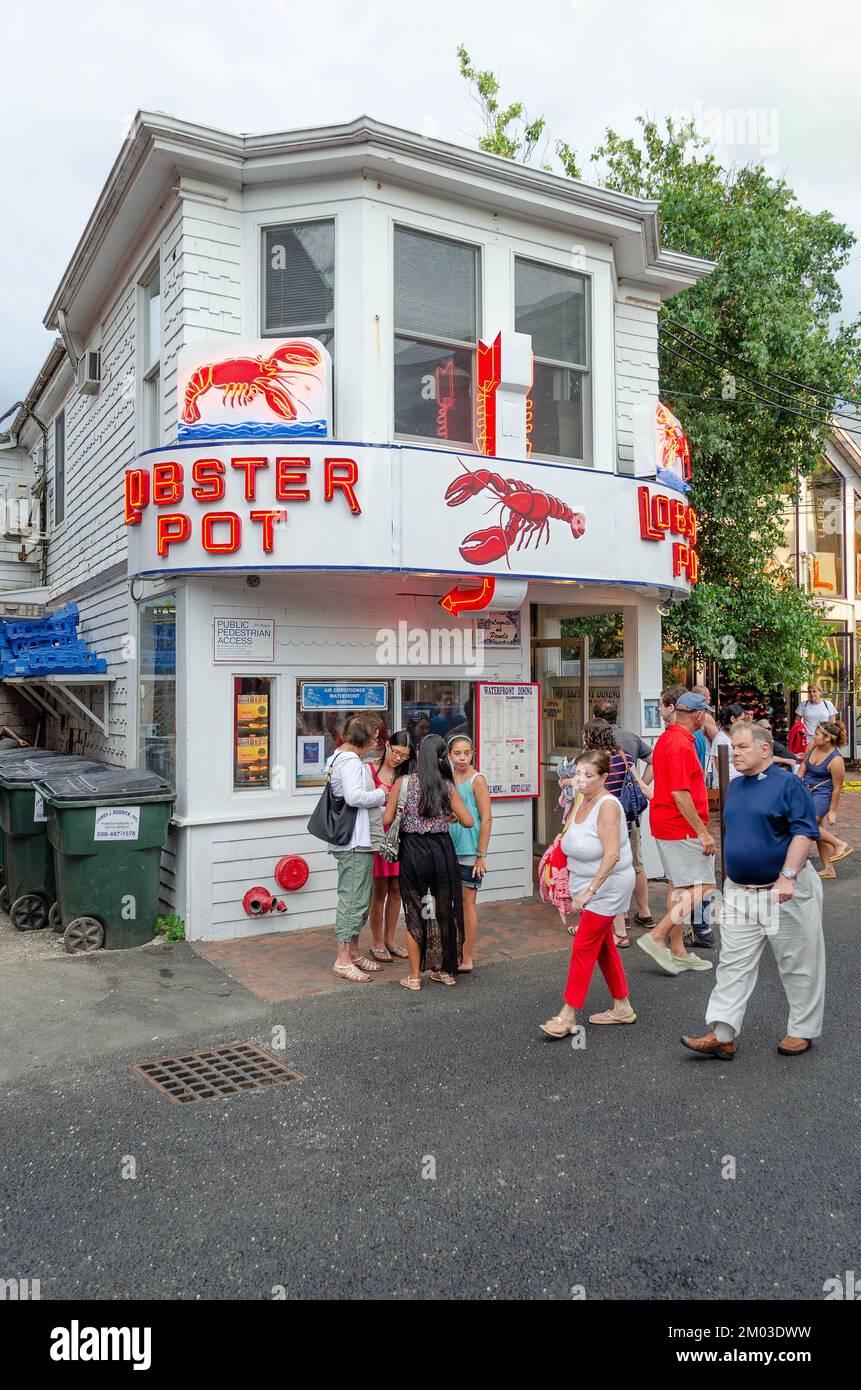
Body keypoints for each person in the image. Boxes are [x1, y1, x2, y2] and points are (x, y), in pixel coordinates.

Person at [681, 722, 825, 1060]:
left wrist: (788, 876)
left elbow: (804, 833)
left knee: (798, 962)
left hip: (784, 890)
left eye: (742, 747)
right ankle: (722, 1033)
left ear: (765, 749)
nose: (736, 753)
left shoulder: (789, 785)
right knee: (732, 962)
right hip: (739, 892)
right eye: (734, 747)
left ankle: (801, 1030)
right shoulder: (738, 787)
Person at [539, 749, 637, 1037]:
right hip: (585, 884)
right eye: (577, 773)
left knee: (583, 945)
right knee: (604, 947)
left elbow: (611, 856)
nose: (580, 780)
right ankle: (622, 1007)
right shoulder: (581, 799)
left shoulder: (607, 806)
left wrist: (588, 893)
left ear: (604, 777)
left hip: (608, 886)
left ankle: (568, 1015)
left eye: (588, 775)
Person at [383, 733, 473, 990]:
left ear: (420, 755)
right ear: (443, 757)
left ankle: (413, 977)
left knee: (416, 910)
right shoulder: (447, 785)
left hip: (413, 850)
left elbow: (388, 819)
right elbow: (468, 821)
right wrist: (447, 818)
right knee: (443, 908)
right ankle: (445, 970)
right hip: (441, 850)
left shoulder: (404, 783)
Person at [636, 691, 715, 974]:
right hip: (680, 827)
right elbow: (681, 793)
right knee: (704, 886)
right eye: (705, 712)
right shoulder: (680, 744)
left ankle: (678, 950)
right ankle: (658, 936)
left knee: (679, 886)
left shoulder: (669, 739)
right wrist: (702, 832)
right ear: (698, 715)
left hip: (667, 823)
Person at [326, 714, 389, 983]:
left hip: (354, 839)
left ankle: (352, 953)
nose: (377, 740)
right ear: (362, 736)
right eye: (375, 735)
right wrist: (384, 794)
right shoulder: (350, 761)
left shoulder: (338, 757)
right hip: (354, 840)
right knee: (353, 898)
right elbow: (353, 797)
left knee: (360, 897)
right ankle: (342, 959)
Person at [367, 731, 414, 963]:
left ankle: (390, 939)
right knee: (379, 892)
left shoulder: (405, 775)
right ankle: (376, 941)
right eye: (396, 752)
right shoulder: (369, 770)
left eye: (404, 756)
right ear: (386, 745)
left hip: (401, 836)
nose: (398, 759)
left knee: (397, 890)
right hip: (377, 836)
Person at [447, 734, 492, 972]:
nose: (462, 758)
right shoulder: (447, 778)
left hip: (469, 849)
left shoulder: (477, 780)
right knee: (449, 902)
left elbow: (486, 819)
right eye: (457, 753)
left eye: (467, 753)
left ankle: (467, 956)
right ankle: (451, 951)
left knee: (467, 902)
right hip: (447, 846)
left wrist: (481, 854)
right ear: (449, 754)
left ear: (473, 753)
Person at [799, 720, 851, 878]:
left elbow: (837, 788)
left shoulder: (836, 760)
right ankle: (829, 868)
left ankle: (839, 844)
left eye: (817, 733)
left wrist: (832, 811)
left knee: (807, 824)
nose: (813, 736)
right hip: (806, 790)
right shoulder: (812, 746)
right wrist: (796, 780)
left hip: (823, 793)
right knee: (817, 830)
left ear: (827, 738)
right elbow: (803, 766)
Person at [706, 704, 744, 786]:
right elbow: (720, 768)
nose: (744, 723)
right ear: (733, 719)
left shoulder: (736, 737)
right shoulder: (720, 739)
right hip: (725, 787)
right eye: (742, 719)